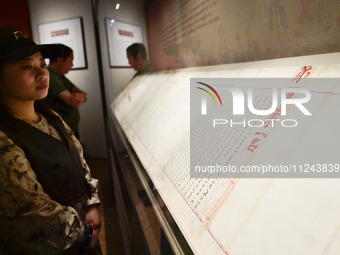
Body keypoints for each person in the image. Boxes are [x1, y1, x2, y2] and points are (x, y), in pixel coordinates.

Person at [0, 27, 101, 254]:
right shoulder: (4, 138)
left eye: (42, 65)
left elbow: (79, 159)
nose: (42, 73)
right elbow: (33, 213)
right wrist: (85, 232)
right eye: (27, 66)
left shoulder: (49, 115)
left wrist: (93, 203)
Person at [40, 44, 86, 138]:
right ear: (60, 60)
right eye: (71, 60)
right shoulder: (51, 77)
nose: (72, 64)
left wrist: (81, 96)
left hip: (68, 132)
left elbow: (83, 94)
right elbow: (72, 101)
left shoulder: (60, 76)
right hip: (61, 134)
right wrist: (80, 97)